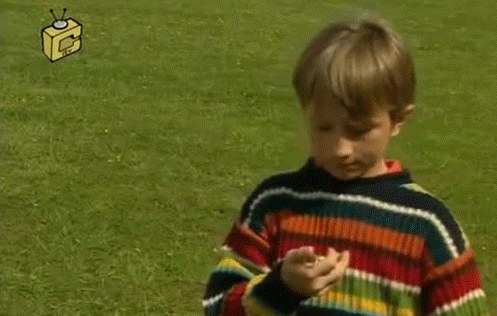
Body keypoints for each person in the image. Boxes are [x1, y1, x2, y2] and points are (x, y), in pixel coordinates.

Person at [202, 16, 489, 315]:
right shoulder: (275, 203)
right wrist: (281, 288)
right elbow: (218, 307)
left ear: (398, 120)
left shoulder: (427, 225)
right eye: (324, 128)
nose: (340, 149)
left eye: (358, 130)